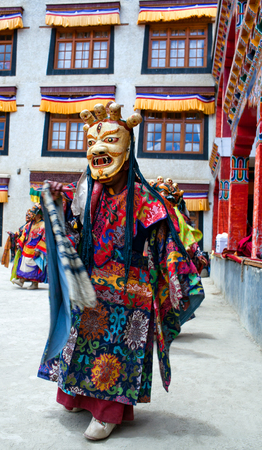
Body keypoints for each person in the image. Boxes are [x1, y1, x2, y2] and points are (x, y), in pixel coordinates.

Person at [38, 103, 204, 440]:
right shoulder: (88, 193)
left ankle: (107, 413)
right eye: (92, 143)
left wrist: (178, 281)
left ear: (127, 151)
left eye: (110, 140)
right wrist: (56, 202)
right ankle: (80, 401)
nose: (98, 150)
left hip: (130, 294)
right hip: (91, 288)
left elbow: (165, 245)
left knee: (114, 356)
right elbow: (73, 232)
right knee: (81, 343)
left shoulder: (146, 199)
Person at [13, 203, 47, 290]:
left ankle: (34, 283)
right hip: (27, 247)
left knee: (34, 266)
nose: (32, 215)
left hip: (35, 249)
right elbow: (24, 233)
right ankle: (21, 280)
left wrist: (38, 249)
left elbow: (44, 238)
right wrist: (20, 241)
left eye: (33, 213)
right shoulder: (30, 224)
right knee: (24, 264)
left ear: (39, 214)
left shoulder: (43, 225)